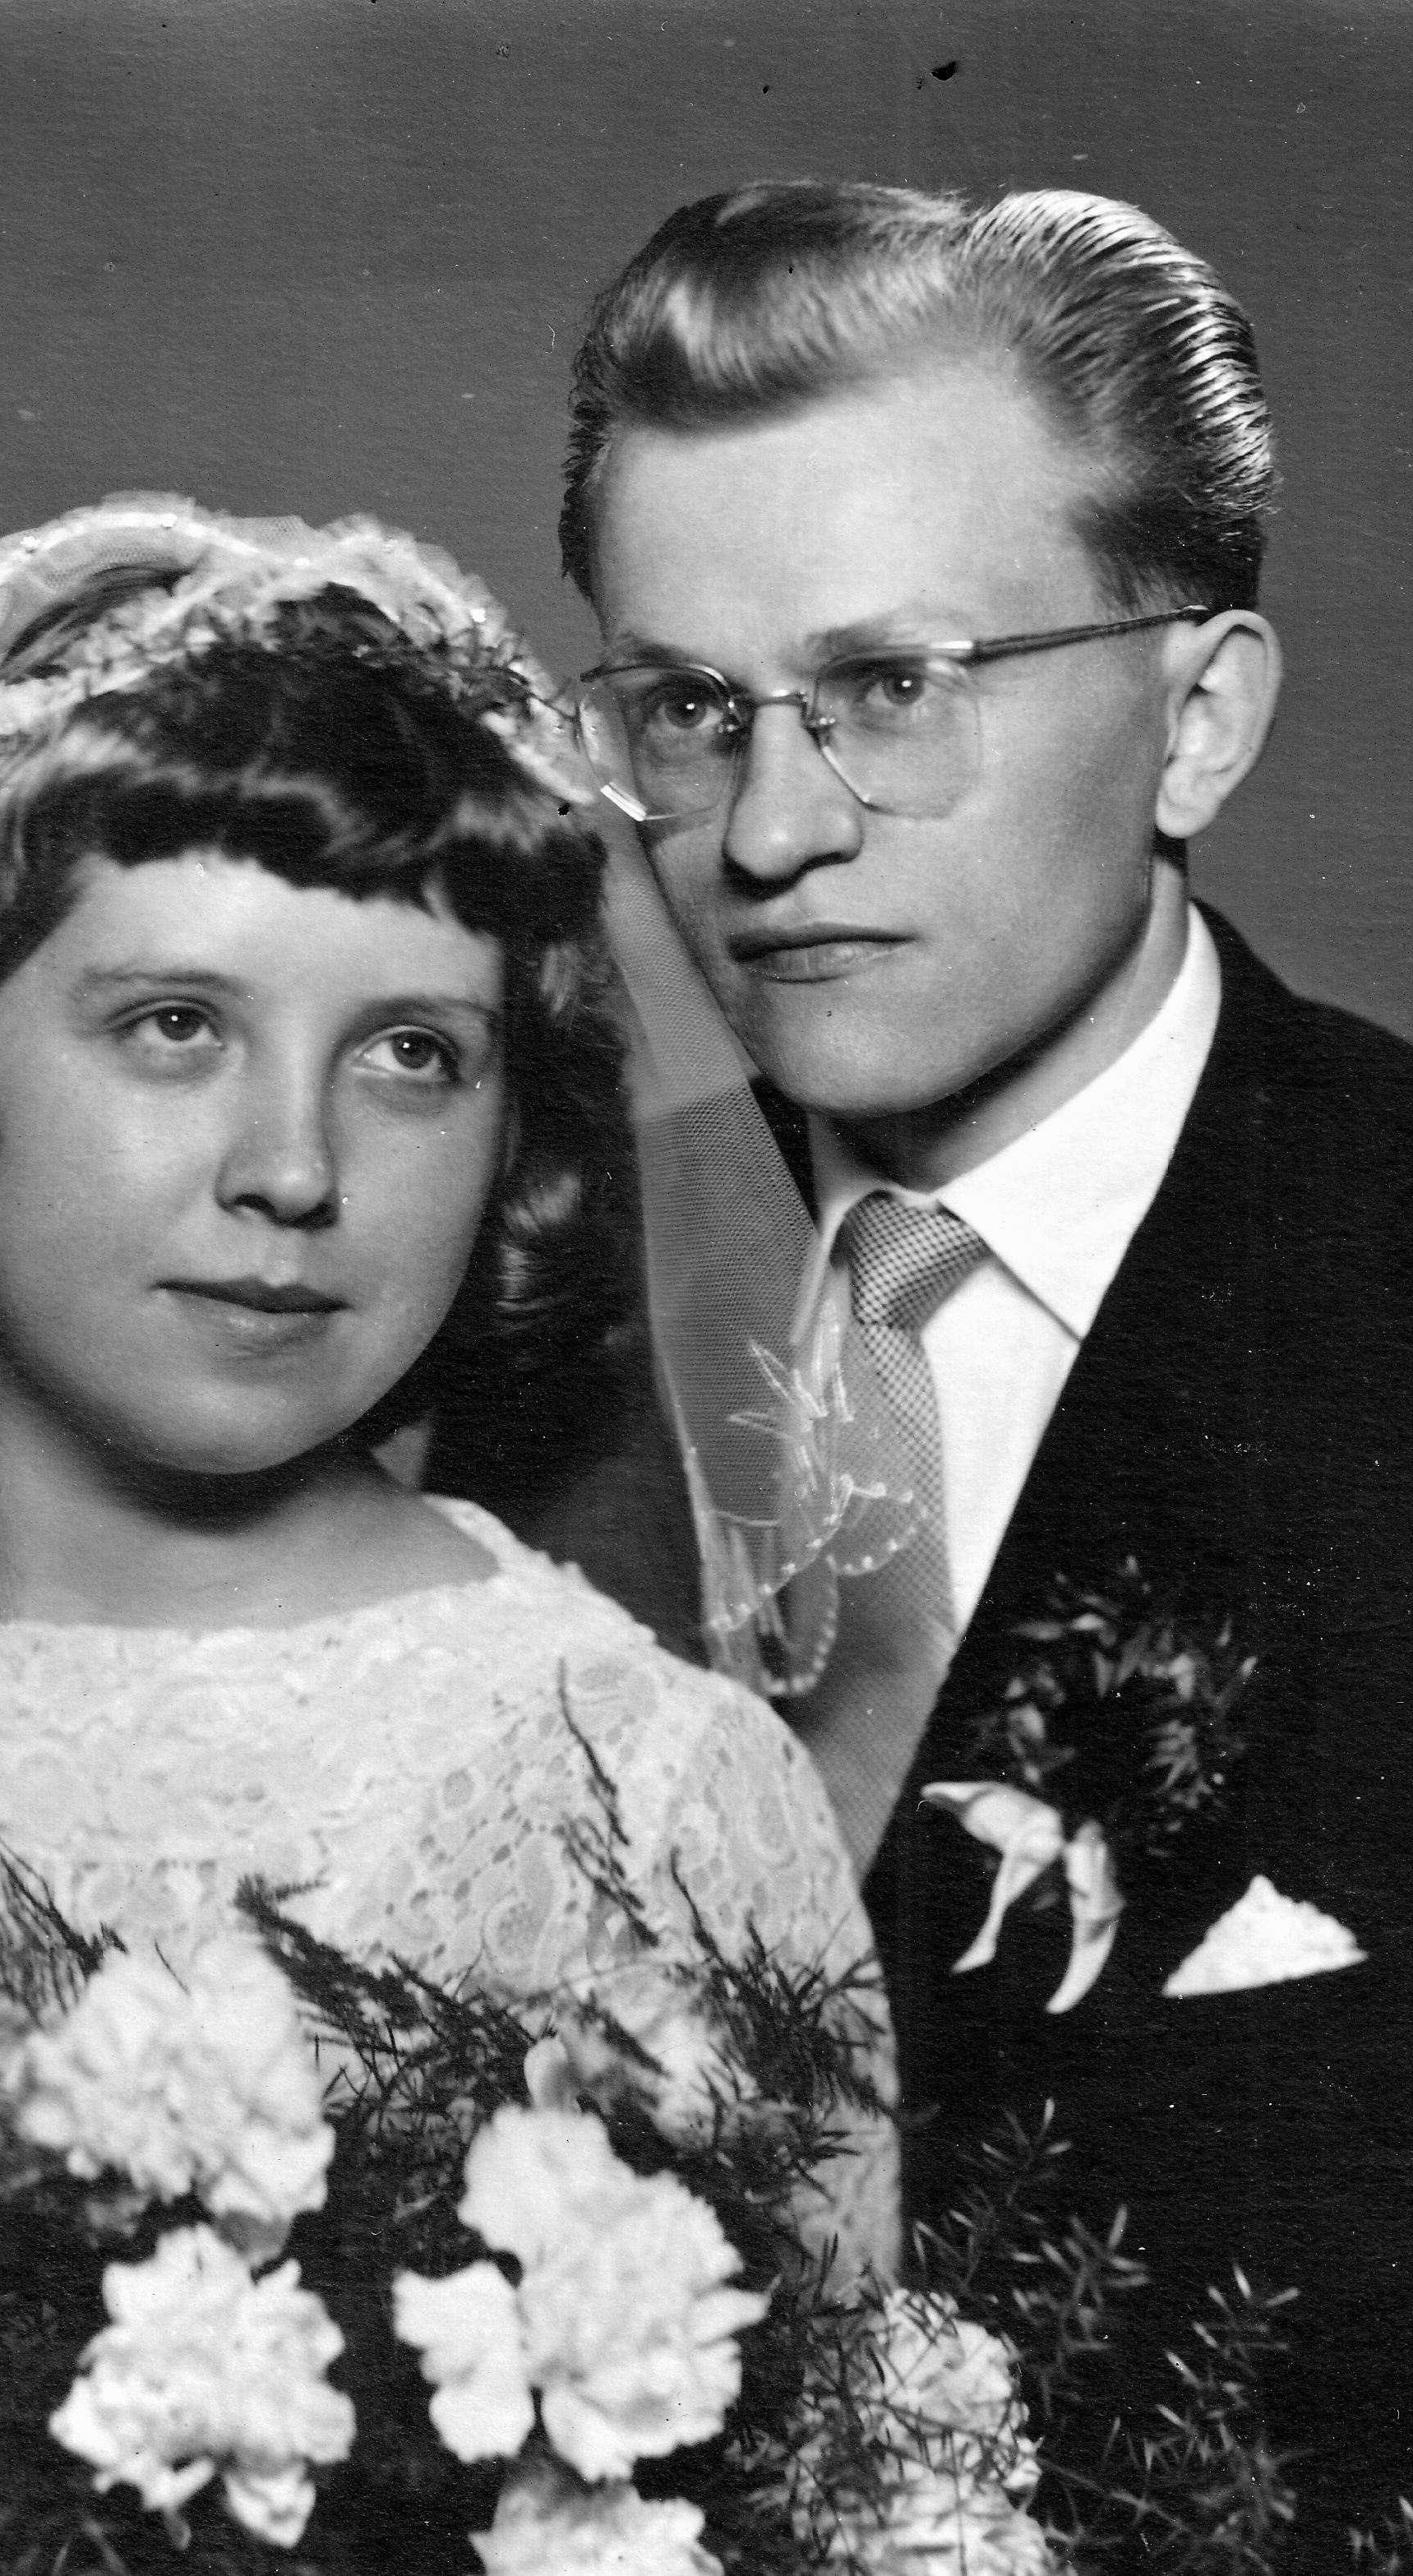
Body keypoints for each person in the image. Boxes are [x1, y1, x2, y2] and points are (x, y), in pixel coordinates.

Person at [0, 500, 896, 2561]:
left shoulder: (646, 1800)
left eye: (412, 1056)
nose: (293, 1167)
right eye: (176, 1027)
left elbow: (839, 2503)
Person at [478, 177, 1413, 2550]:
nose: (771, 832)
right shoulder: (490, 1320)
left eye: (893, 687)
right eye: (690, 712)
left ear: (1199, 718)